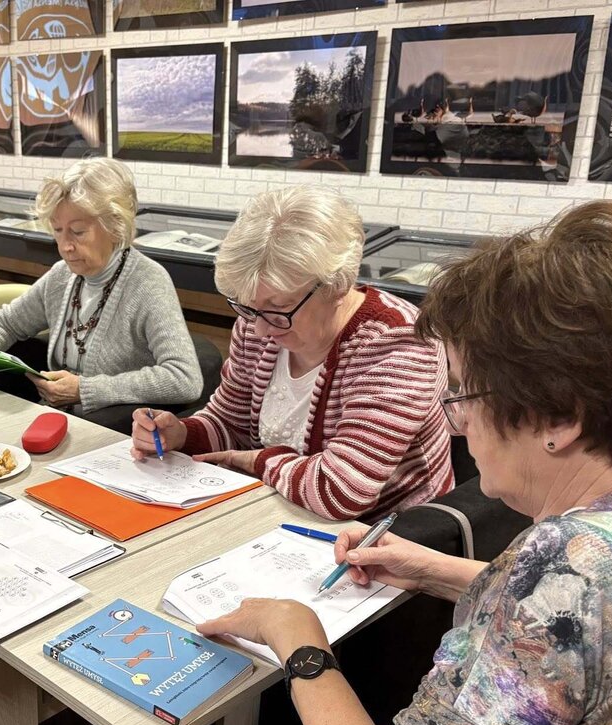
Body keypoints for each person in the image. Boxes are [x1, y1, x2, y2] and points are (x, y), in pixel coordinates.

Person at [198, 201, 612, 725]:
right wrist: (438, 570)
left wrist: (298, 639)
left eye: (463, 393)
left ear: (560, 419)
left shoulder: (562, 574)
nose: (454, 423)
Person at [132, 185, 453, 523]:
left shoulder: (398, 341)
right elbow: (230, 422)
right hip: (278, 508)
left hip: (384, 532)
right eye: (248, 307)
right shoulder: (258, 323)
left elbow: (341, 491)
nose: (260, 330)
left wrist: (256, 461)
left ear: (337, 286)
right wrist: (182, 434)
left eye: (279, 308)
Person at [0, 158, 202, 430]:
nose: (65, 246)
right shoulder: (62, 275)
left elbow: (185, 378)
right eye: (58, 230)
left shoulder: (148, 282)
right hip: (53, 420)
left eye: (78, 232)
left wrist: (86, 389)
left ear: (115, 226)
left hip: (108, 431)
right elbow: (6, 322)